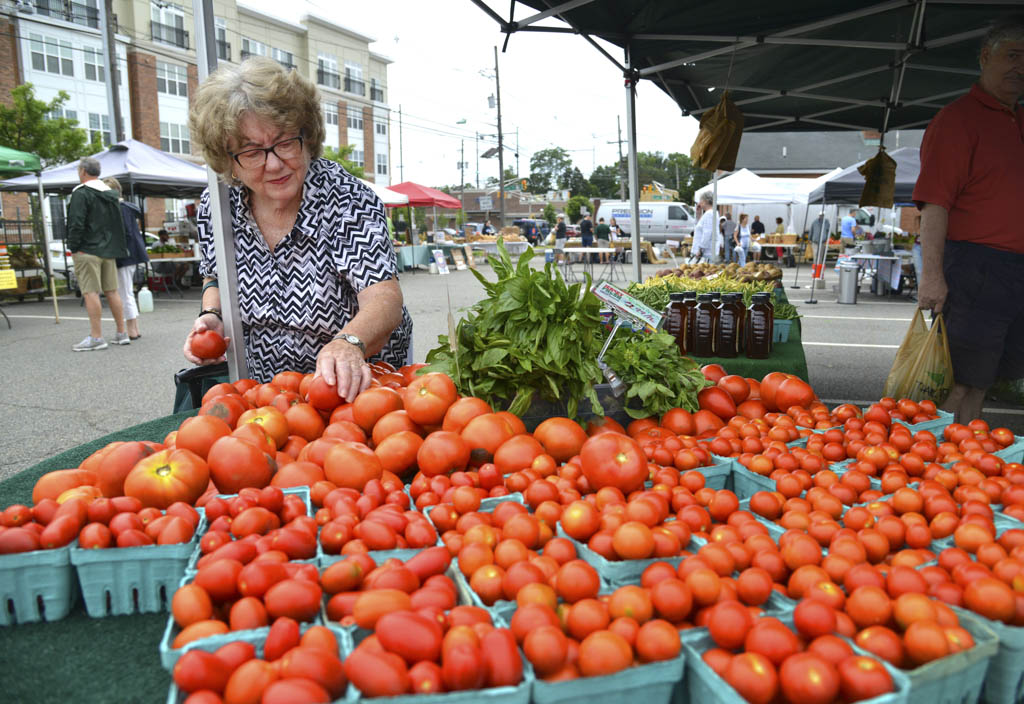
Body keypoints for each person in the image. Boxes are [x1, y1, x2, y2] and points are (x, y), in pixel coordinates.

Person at [184, 57, 412, 399]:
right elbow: (215, 275)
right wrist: (212, 314)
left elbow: (384, 299)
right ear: (228, 159)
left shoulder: (346, 198)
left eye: (285, 142)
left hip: (354, 390)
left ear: (307, 134)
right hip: (267, 394)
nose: (274, 163)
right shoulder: (218, 205)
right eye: (251, 152)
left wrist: (348, 343)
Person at [912, 14, 1024, 423]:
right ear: (984, 58)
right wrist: (932, 276)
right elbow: (934, 205)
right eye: (1012, 56)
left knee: (984, 378)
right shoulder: (958, 120)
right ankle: (932, 465)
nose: (1021, 67)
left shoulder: (1019, 119)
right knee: (957, 380)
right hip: (975, 268)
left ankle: (962, 461)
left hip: (1014, 269)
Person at [67, 157, 129, 351]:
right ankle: (121, 332)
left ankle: (96, 337)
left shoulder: (81, 194)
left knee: (90, 291)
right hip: (108, 249)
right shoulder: (110, 194)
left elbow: (76, 223)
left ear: (83, 171)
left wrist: (74, 246)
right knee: (112, 290)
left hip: (87, 249)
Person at [104, 178, 148, 340]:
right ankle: (134, 327)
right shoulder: (127, 208)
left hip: (124, 256)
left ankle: (131, 328)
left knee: (124, 293)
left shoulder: (119, 209)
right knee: (127, 292)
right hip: (132, 255)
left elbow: (125, 234)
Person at [691, 191, 717, 262]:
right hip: (707, 252)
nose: (699, 203)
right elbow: (702, 227)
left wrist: (700, 249)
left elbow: (707, 233)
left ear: (705, 201)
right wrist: (698, 214)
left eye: (700, 200)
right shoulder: (710, 213)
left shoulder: (709, 214)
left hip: (705, 253)